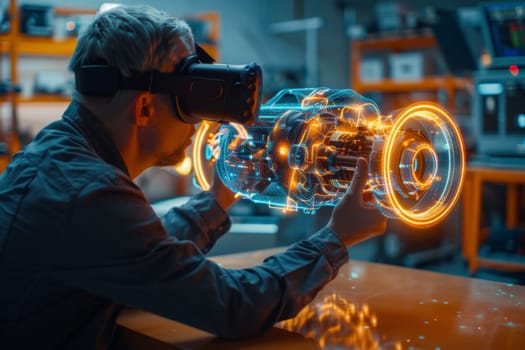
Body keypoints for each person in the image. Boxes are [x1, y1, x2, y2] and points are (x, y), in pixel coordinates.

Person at [0, 4, 386, 350]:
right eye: (190, 102)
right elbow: (234, 306)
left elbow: (144, 254)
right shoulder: (89, 195)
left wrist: (219, 197)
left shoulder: (57, 155)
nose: (201, 120)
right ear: (145, 108)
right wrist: (336, 238)